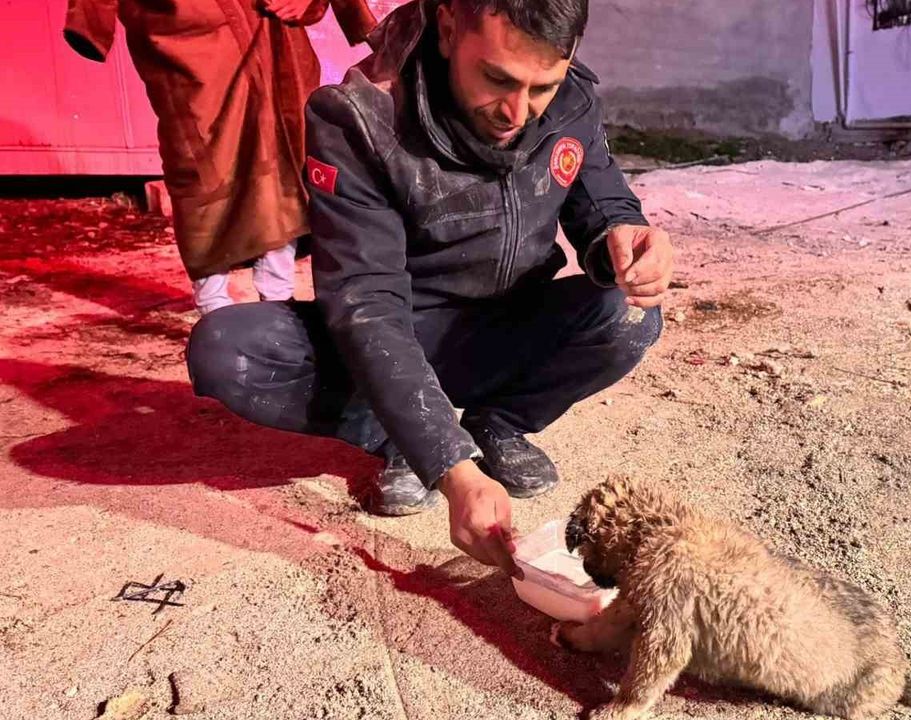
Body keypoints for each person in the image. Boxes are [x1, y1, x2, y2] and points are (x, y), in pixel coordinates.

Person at [185, 0, 675, 576]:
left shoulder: (570, 99)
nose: (517, 111)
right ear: (446, 29)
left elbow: (603, 200)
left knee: (628, 313)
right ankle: (399, 436)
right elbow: (366, 302)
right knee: (228, 349)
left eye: (542, 86)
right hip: (397, 335)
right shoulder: (361, 119)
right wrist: (450, 468)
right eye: (497, 78)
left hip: (506, 329)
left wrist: (625, 236)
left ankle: (499, 423)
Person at [63, 0, 378, 315]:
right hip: (187, 39)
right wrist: (91, 22)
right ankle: (214, 307)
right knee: (201, 164)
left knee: (280, 155)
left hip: (270, 30)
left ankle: (278, 299)